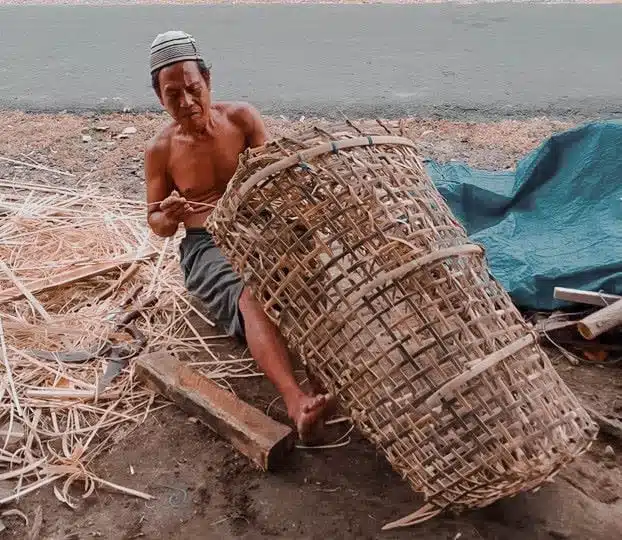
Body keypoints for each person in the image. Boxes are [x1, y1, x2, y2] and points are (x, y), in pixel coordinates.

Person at [144, 30, 332, 443]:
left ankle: (325, 379)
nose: (188, 103)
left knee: (307, 279)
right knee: (251, 295)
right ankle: (295, 400)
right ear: (160, 98)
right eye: (173, 95)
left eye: (194, 89)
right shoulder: (161, 150)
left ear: (208, 82)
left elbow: (277, 180)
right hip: (206, 245)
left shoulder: (242, 118)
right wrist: (169, 216)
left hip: (261, 226)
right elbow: (156, 225)